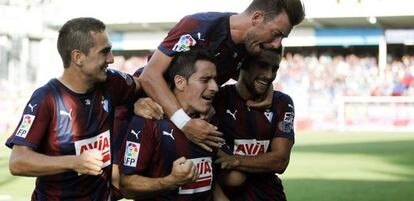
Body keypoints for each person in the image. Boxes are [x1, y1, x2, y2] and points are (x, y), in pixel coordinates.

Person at [5, 17, 143, 201]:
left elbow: (144, 84)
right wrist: (74, 162)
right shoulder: (47, 98)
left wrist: (139, 102)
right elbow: (18, 162)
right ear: (78, 57)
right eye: (105, 52)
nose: (111, 59)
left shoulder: (111, 82)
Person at [138, 0, 305, 152]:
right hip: (144, 110)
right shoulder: (200, 27)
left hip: (184, 122)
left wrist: (267, 89)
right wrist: (185, 124)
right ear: (257, 18)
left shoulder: (249, 48)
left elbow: (255, 74)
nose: (277, 44)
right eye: (276, 33)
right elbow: (149, 75)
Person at [118, 49, 221, 200]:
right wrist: (170, 181)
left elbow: (209, 183)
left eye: (215, 80)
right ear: (180, 82)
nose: (215, 87)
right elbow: (126, 186)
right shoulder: (148, 121)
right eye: (205, 80)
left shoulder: (210, 120)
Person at [213, 48, 295, 201]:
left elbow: (280, 161)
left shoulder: (282, 102)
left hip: (269, 195)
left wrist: (234, 160)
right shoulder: (218, 99)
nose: (269, 75)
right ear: (244, 63)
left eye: (274, 69)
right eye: (263, 65)